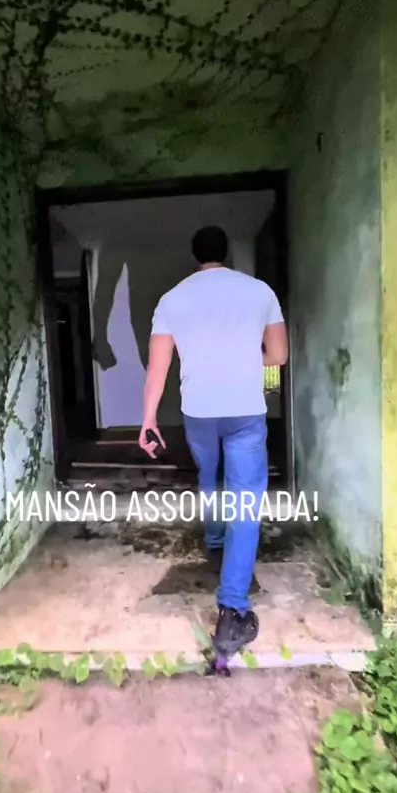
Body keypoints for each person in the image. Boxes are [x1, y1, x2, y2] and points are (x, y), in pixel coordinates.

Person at [138, 225, 288, 658]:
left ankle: (216, 539)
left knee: (210, 473)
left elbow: (158, 369)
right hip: (245, 409)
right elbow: (278, 356)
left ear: (195, 255)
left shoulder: (172, 299)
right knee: (245, 500)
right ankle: (232, 610)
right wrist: (248, 359)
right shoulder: (259, 292)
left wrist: (148, 420)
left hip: (199, 411)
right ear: (226, 253)